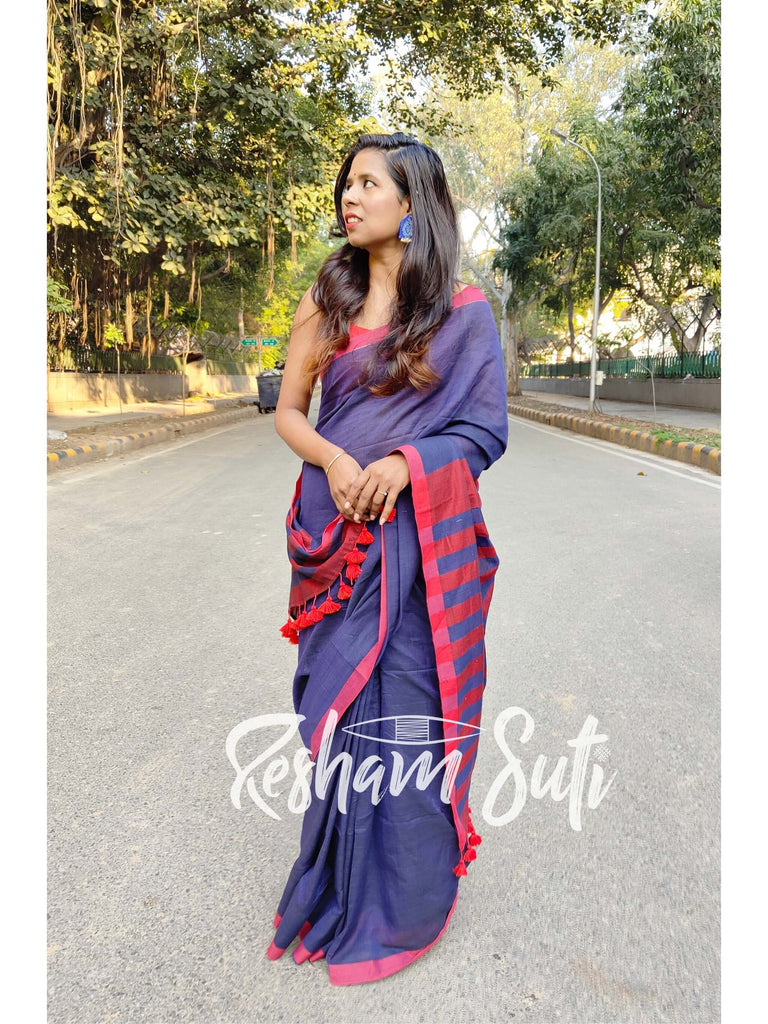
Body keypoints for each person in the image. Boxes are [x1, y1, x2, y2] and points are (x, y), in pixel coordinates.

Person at [269, 132, 508, 985]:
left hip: (415, 551)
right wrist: (336, 460)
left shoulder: (460, 313)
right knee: (344, 717)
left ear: (412, 205)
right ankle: (339, 882)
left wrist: (407, 465)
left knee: (408, 712)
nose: (350, 195)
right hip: (337, 542)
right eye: (348, 183)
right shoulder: (328, 297)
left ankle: (404, 903)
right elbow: (289, 413)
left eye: (369, 183)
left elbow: (483, 432)